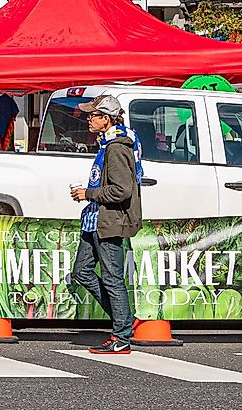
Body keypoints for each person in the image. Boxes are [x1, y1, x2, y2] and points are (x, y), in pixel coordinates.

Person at [70, 94, 143, 354]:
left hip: (109, 220)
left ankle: (121, 336)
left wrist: (88, 194)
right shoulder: (106, 144)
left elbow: (122, 190)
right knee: (82, 272)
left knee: (113, 279)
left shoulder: (116, 147)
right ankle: (124, 319)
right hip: (95, 220)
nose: (89, 119)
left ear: (106, 119)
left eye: (93, 115)